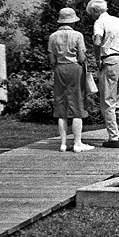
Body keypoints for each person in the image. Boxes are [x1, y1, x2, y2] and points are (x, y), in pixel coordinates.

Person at [86, 0, 119, 148]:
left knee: (107, 101)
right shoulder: (117, 20)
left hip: (110, 60)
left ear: (95, 11)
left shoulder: (99, 23)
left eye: (91, 14)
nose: (91, 17)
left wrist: (97, 59)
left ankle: (113, 138)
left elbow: (97, 41)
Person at [48, 8, 95, 153]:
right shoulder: (78, 35)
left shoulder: (53, 37)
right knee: (77, 104)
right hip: (75, 69)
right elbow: (81, 57)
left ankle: (62, 143)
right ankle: (77, 142)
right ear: (73, 21)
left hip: (60, 69)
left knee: (61, 105)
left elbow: (51, 59)